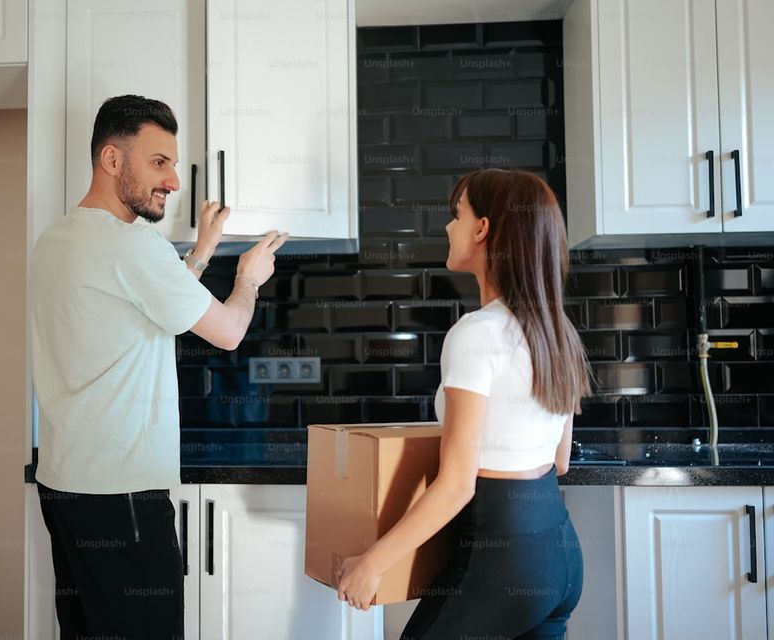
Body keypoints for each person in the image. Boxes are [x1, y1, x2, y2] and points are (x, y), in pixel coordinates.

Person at [30, 94, 287, 639]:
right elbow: (229, 331)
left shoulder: (55, 240)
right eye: (159, 162)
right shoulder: (132, 246)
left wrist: (200, 253)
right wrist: (248, 278)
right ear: (111, 160)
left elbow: (151, 314)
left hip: (65, 486)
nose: (172, 180)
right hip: (122, 494)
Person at [337, 168, 592, 639]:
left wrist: (373, 564)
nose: (448, 228)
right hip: (559, 555)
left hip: (502, 561)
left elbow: (458, 485)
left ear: (483, 229)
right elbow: (559, 460)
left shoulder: (476, 334)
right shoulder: (557, 330)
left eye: (457, 215)